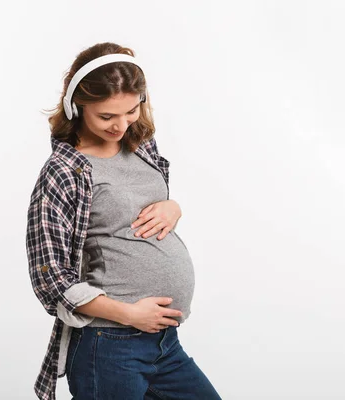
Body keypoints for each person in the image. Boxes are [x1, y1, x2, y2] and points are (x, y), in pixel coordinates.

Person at [26, 42, 221, 400]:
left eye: (131, 111)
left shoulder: (141, 144)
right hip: (109, 345)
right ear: (76, 106)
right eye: (107, 117)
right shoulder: (63, 172)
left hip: (164, 344)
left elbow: (134, 218)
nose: (121, 125)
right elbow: (51, 279)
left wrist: (173, 206)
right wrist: (129, 315)